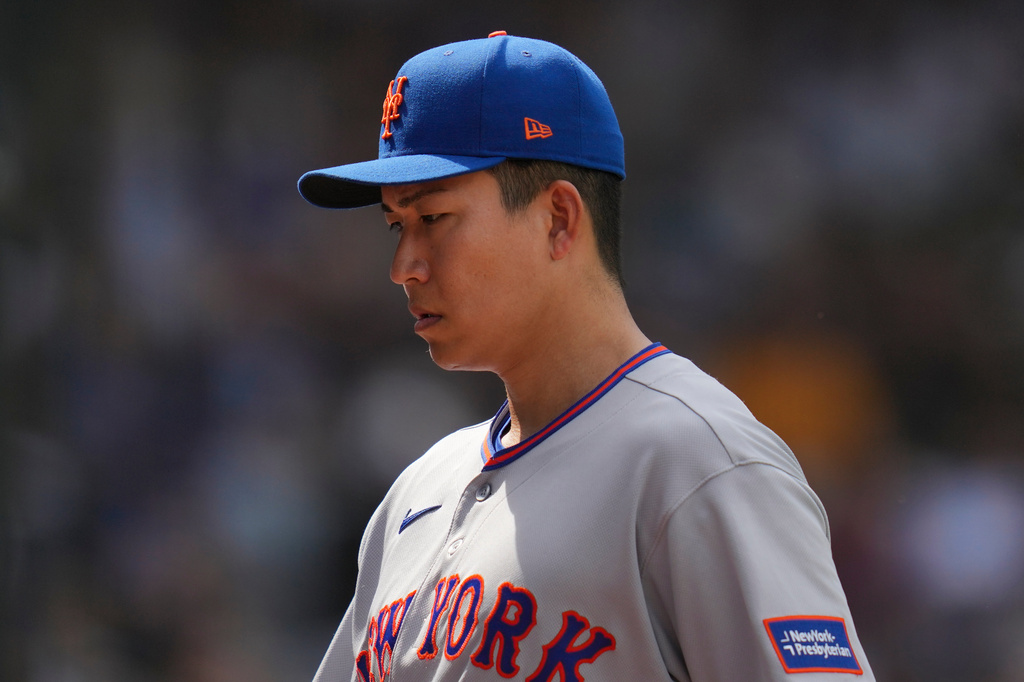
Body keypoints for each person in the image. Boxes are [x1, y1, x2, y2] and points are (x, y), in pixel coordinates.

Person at [297, 31, 874, 682]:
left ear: (559, 220)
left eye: (434, 218)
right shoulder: (414, 494)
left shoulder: (699, 466)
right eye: (397, 225)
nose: (404, 265)